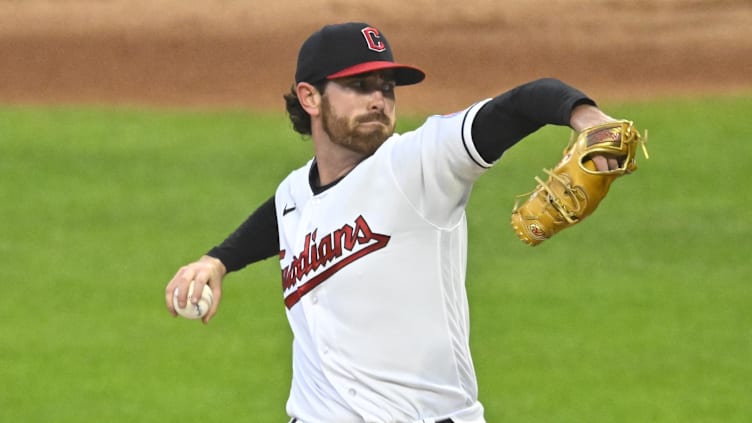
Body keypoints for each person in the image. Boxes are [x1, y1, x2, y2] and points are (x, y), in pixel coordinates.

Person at [165, 22, 626, 423]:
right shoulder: (295, 193)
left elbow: (522, 102)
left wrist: (590, 120)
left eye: (386, 87)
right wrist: (217, 261)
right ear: (309, 96)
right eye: (360, 86)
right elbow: (284, 213)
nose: (379, 100)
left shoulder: (420, 163)